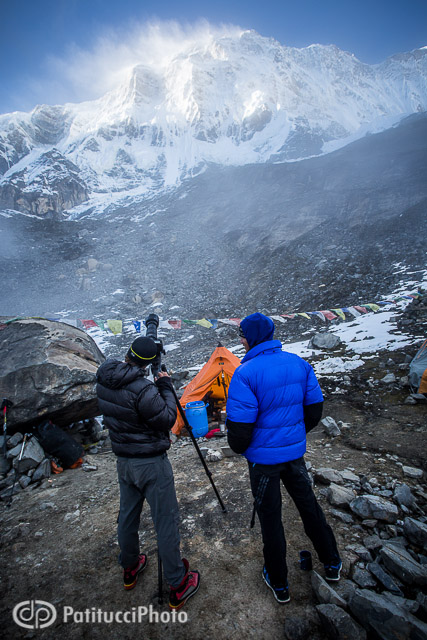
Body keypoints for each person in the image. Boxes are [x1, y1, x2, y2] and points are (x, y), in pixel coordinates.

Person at [226, 313, 341, 604]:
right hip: (294, 455)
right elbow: (315, 410)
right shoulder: (299, 364)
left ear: (251, 337)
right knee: (308, 505)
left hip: (263, 462)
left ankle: (279, 581)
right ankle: (332, 562)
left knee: (270, 517)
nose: (240, 341)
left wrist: (249, 448)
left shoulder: (245, 373)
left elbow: (239, 433)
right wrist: (293, 435)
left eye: (242, 335)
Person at [96, 336, 200, 610]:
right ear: (148, 363)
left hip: (124, 461)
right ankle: (178, 583)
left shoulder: (106, 378)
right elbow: (166, 419)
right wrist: (165, 386)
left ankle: (130, 566)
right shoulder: (143, 389)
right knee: (165, 521)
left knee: (128, 515)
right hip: (151, 463)